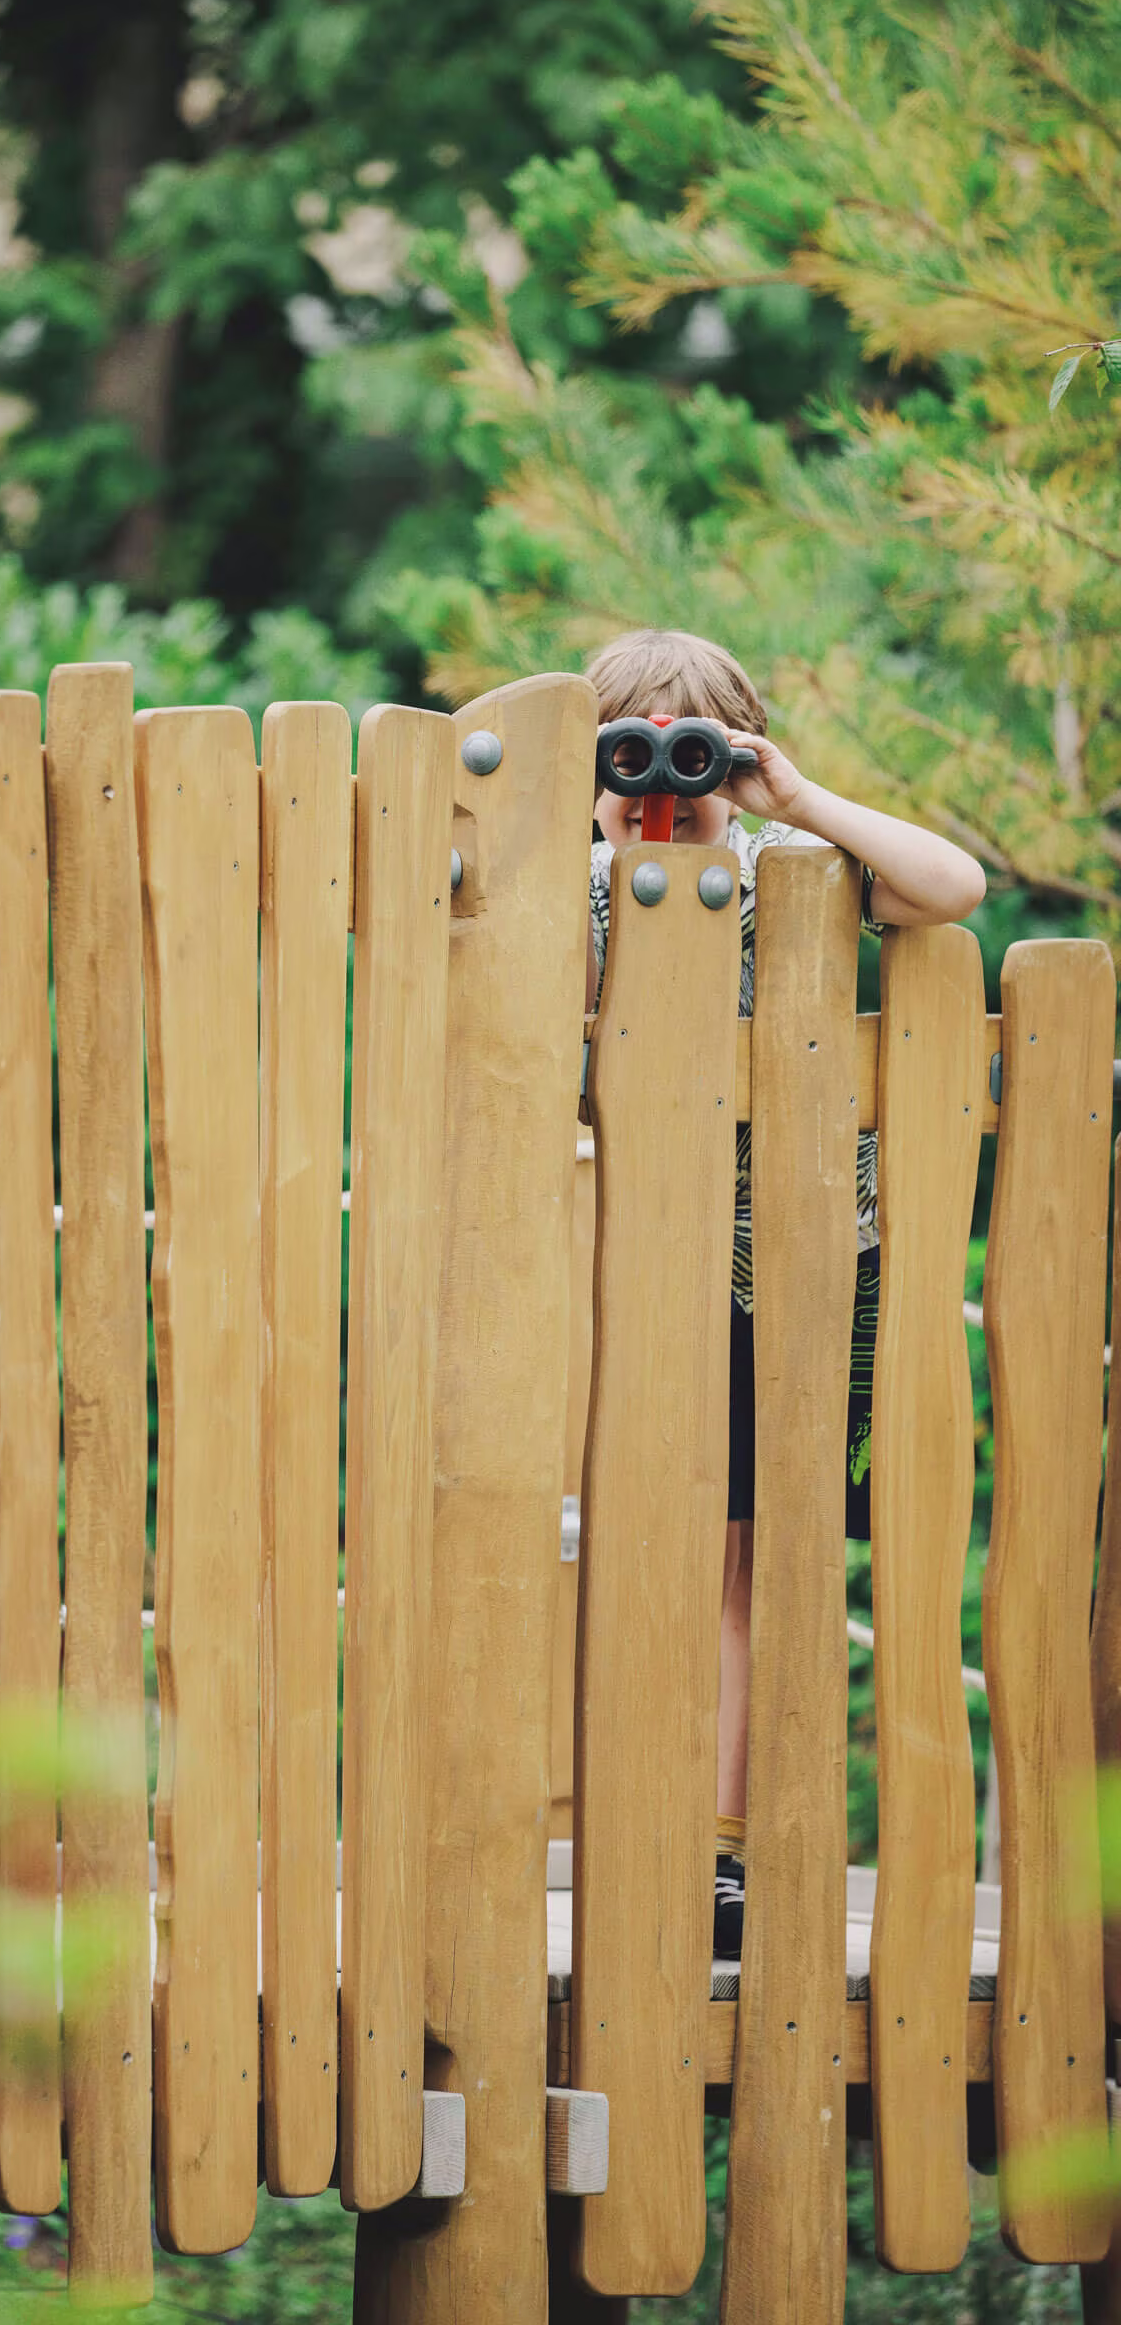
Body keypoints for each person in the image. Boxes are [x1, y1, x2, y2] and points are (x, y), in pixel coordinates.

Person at [580, 627, 987, 1961]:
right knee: (639, 1557)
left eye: (691, 749)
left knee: (747, 1567)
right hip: (635, 1252)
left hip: (797, 1263)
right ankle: (643, 1828)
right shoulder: (570, 884)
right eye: (629, 745)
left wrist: (793, 801)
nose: (663, 777)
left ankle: (723, 1854)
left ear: (737, 749)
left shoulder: (793, 875)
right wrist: (582, 824)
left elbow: (954, 886)